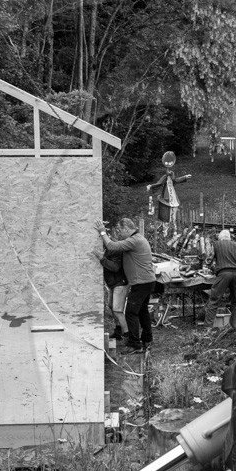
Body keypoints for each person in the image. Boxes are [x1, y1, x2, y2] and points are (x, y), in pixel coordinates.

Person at [95, 217, 156, 354]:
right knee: (142, 311)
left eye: (121, 231)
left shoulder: (134, 240)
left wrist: (102, 232)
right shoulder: (139, 238)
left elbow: (111, 246)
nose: (120, 234)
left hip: (141, 282)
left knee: (130, 312)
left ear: (126, 229)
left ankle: (135, 344)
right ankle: (147, 339)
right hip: (147, 281)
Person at [202, 228, 236, 326]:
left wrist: (210, 267)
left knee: (215, 299)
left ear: (220, 238)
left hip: (223, 273)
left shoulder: (216, 244)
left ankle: (207, 327)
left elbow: (209, 260)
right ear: (229, 237)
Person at [95, 244, 129, 340]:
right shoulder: (106, 250)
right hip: (113, 284)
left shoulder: (114, 250)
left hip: (119, 283)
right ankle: (118, 330)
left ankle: (127, 335)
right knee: (111, 306)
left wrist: (102, 259)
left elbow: (115, 267)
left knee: (117, 310)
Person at [146, 151, 191, 222]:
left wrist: (185, 177)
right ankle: (167, 220)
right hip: (166, 194)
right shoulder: (165, 177)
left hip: (172, 194)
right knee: (166, 207)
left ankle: (173, 221)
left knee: (174, 206)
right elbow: (159, 183)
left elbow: (176, 180)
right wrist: (151, 186)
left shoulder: (172, 177)